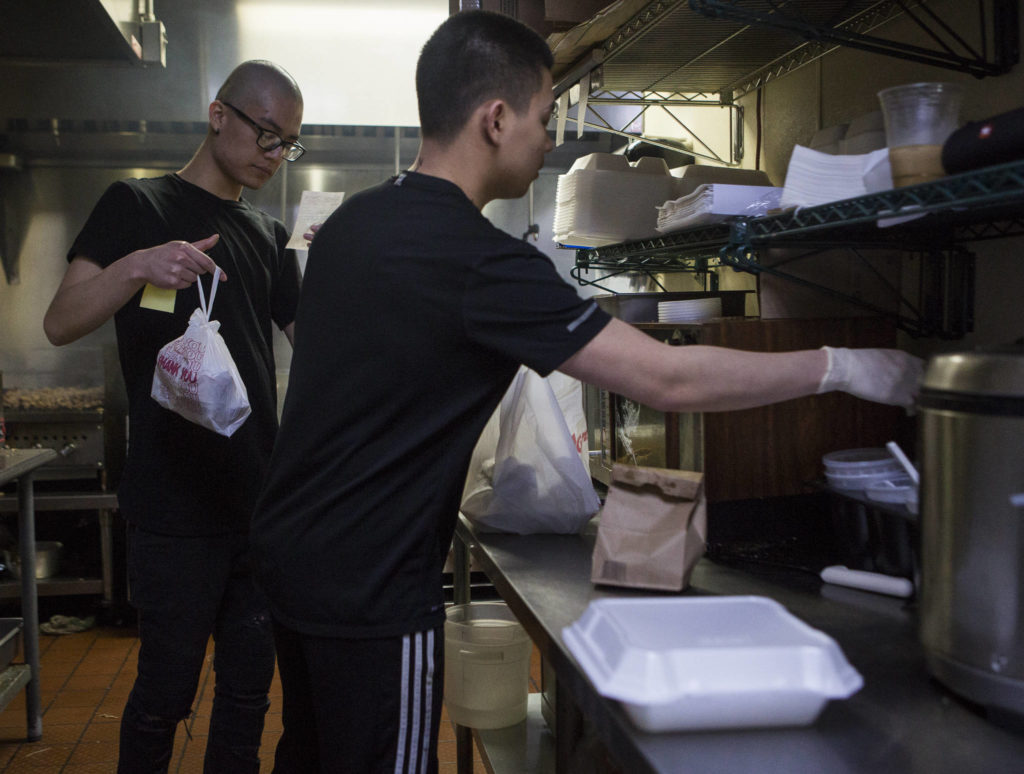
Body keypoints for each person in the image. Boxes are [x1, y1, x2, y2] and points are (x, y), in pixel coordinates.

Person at [251, 11, 923, 774]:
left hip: (292, 556)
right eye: (542, 118)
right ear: (495, 119)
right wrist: (837, 365)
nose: (546, 143)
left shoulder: (349, 227)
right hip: (371, 588)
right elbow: (666, 377)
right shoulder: (481, 262)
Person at [43, 60, 305, 773]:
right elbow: (60, 322)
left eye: (288, 144)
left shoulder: (269, 233)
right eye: (267, 135)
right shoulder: (136, 204)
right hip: (171, 507)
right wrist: (139, 268)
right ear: (219, 114)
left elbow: (312, 345)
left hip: (257, 504)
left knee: (248, 695)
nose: (275, 156)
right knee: (165, 693)